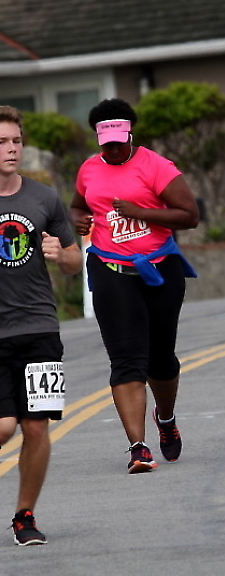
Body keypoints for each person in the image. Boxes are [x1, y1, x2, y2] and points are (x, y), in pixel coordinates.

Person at [69, 98, 199, 474]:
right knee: (126, 358)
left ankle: (165, 417)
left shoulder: (156, 166)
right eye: (106, 143)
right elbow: (78, 205)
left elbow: (190, 215)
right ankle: (138, 448)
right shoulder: (89, 169)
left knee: (160, 359)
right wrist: (79, 220)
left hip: (159, 269)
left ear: (130, 134)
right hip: (109, 268)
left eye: (119, 141)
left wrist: (140, 211)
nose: (113, 149)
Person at [0, 106, 83, 545]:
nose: (11, 149)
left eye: (16, 141)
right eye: (1, 142)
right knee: (3, 426)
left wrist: (60, 253)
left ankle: (24, 516)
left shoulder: (44, 198)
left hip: (39, 327)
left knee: (36, 426)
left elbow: (75, 262)